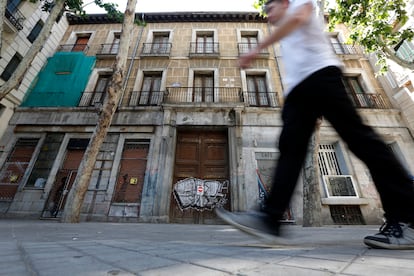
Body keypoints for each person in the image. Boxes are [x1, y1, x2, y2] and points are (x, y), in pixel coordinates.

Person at [215, 0, 414, 249]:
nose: (268, 16)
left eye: (270, 9)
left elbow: (299, 17)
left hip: (322, 77)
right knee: (290, 150)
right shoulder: (286, 27)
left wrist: (256, 49)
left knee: (363, 143)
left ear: (284, 3)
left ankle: (408, 218)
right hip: (301, 90)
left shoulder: (299, 3)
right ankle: (269, 219)